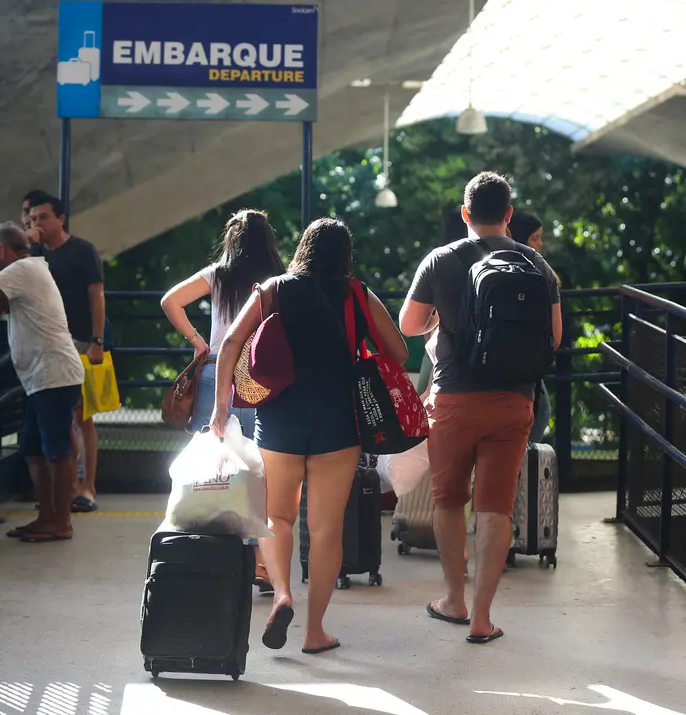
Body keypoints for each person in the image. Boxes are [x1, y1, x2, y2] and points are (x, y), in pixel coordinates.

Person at [210, 218, 409, 656]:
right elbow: (399, 350)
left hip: (280, 417)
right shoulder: (358, 293)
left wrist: (221, 407)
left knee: (277, 518)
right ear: (345, 254)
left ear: (303, 247)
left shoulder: (274, 289)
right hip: (339, 422)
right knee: (324, 529)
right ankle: (315, 631)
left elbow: (229, 345)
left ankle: (281, 594)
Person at [399, 172, 562, 645]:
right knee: (496, 507)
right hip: (515, 401)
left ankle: (454, 599)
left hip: (453, 399)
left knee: (450, 501)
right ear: (509, 214)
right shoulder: (538, 266)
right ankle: (483, 618)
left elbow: (409, 325)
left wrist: (438, 319)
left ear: (466, 213)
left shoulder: (442, 259)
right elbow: (553, 339)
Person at [161, 209, 285, 594]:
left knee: (212, 463)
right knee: (260, 465)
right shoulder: (278, 279)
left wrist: (198, 341)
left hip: (219, 372)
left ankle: (207, 549)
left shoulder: (218, 274)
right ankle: (259, 563)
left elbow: (170, 301)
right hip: (261, 374)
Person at [0, 222, 85, 543]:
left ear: (3, 251)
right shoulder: (30, 269)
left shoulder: (24, 267)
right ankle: (46, 516)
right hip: (41, 376)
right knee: (33, 447)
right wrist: (3, 300)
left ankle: (61, 522)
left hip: (53, 374)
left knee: (57, 451)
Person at [21, 190, 106, 513]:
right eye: (32, 218)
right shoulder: (34, 255)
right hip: (46, 345)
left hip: (81, 341)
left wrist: (97, 341)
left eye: (43, 217)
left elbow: (97, 296)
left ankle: (88, 487)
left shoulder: (82, 250)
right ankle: (66, 487)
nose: (37, 223)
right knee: (57, 417)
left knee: (82, 416)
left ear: (60, 218)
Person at [508, 210, 554, 444]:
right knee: (540, 411)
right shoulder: (533, 269)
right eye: (535, 237)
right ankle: (519, 468)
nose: (540, 243)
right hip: (526, 359)